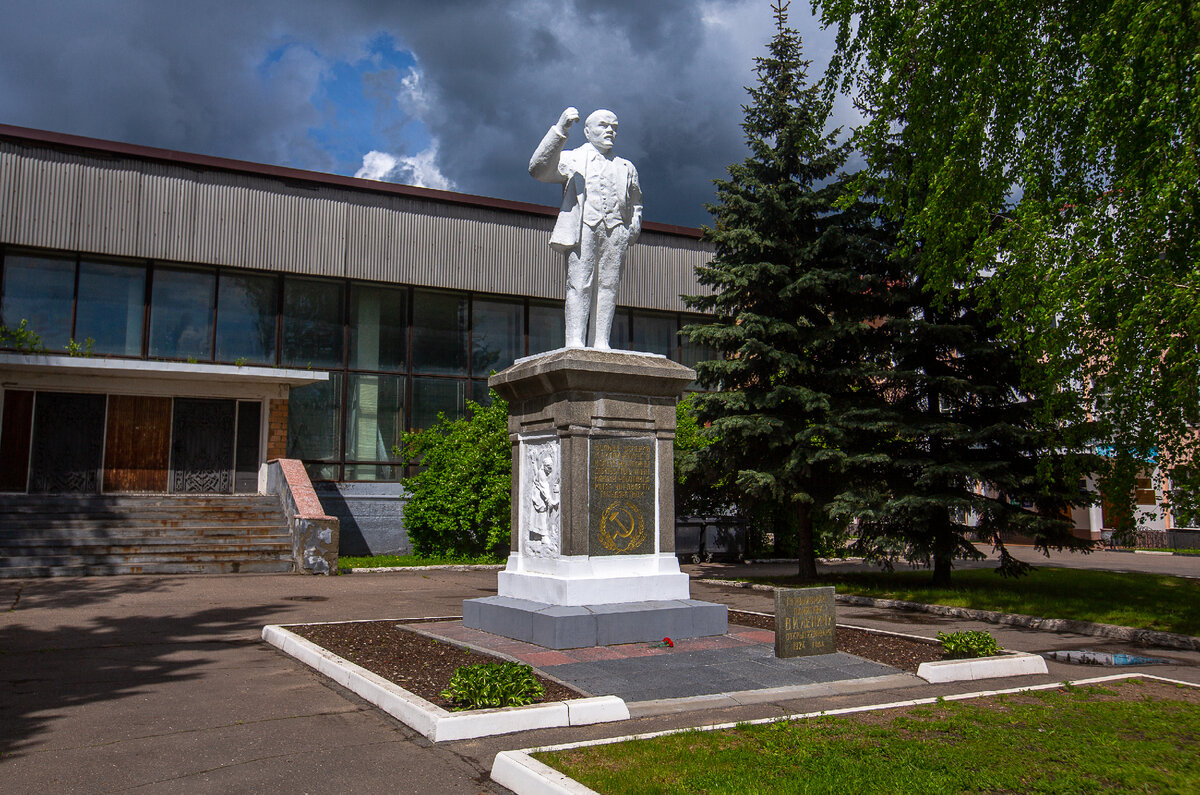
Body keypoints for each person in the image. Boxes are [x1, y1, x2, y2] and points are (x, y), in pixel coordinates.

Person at [529, 107, 643, 349]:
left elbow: (636, 200)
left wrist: (634, 225)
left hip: (616, 231)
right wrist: (560, 129)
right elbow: (538, 169)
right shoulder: (572, 158)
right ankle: (575, 341)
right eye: (603, 125)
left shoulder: (626, 166)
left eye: (614, 127)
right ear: (587, 131)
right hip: (583, 228)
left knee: (609, 286)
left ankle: (601, 341)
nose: (610, 130)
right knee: (579, 282)